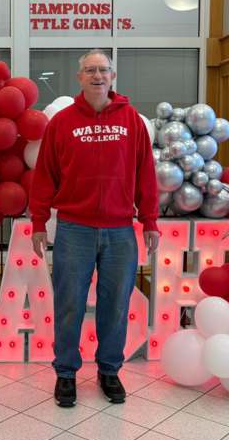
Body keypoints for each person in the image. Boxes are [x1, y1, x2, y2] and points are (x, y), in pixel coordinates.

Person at [29, 49, 159, 407]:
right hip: (74, 229)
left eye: (103, 70)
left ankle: (109, 371)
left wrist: (150, 220)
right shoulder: (63, 122)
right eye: (90, 70)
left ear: (113, 77)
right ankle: (66, 374)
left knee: (115, 305)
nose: (97, 75)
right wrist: (39, 222)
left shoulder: (131, 120)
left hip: (120, 230)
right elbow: (44, 176)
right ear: (80, 78)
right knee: (69, 304)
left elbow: (145, 174)